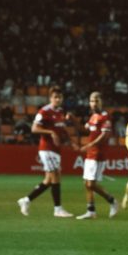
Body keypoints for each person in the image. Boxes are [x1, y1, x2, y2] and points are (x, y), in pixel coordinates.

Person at [17, 86, 76, 218]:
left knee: (49, 180)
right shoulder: (44, 111)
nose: (58, 99)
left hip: (56, 150)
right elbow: (34, 128)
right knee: (55, 176)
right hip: (47, 148)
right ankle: (58, 209)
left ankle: (26, 200)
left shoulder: (60, 112)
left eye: (60, 97)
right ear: (50, 98)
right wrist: (50, 132)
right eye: (55, 97)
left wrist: (70, 141)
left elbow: (61, 129)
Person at [76, 92, 119, 220]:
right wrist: (72, 119)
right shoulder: (93, 116)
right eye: (91, 101)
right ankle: (91, 211)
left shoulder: (105, 116)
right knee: (87, 183)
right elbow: (85, 130)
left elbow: (104, 136)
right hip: (91, 154)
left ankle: (112, 201)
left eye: (96, 100)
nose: (93, 103)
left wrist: (89, 145)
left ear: (101, 101)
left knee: (91, 184)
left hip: (98, 154)